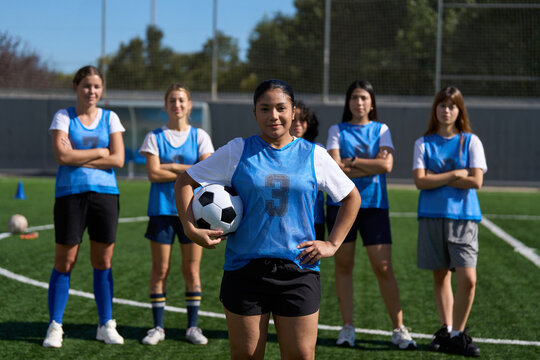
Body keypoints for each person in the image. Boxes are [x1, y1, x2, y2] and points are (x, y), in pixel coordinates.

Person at [175, 79, 361, 359]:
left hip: (299, 270)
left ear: (293, 111)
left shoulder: (314, 155)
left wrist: (332, 244)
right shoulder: (237, 151)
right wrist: (190, 228)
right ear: (255, 113)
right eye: (265, 109)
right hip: (245, 271)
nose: (273, 115)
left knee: (300, 355)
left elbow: (351, 197)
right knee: (247, 356)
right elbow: (185, 181)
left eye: (280, 108)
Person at [326, 80, 417, 349]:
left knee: (383, 267)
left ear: (372, 102)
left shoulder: (381, 129)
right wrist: (369, 165)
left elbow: (386, 164)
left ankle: (399, 329)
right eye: (354, 97)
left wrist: (352, 162)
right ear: (348, 102)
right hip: (341, 205)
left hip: (375, 206)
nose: (359, 102)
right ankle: (347, 328)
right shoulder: (336, 130)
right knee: (344, 266)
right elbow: (334, 168)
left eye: (364, 97)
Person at [43, 65, 125, 348]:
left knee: (103, 262)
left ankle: (106, 324)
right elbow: (61, 155)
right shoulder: (63, 116)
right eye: (87, 86)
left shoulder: (110, 118)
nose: (92, 91)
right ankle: (55, 326)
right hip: (70, 195)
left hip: (105, 196)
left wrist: (78, 156)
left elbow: (118, 160)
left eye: (97, 87)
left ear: (102, 90)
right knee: (65, 262)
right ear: (76, 87)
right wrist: (100, 151)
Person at [413, 86, 486, 357]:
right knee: (440, 276)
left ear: (459, 110)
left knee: (468, 278)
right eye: (442, 105)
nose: (446, 110)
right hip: (431, 216)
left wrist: (438, 176)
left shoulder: (471, 142)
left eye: (452, 106)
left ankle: (458, 333)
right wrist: (456, 173)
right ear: (435, 109)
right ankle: (447, 330)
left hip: (464, 217)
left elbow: (476, 180)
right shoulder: (423, 143)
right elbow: (421, 181)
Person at [138, 83, 214, 346]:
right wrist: (187, 170)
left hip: (194, 213)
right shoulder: (154, 137)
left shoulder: (200, 136)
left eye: (182, 100)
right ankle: (158, 327)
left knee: (191, 270)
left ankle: (192, 327)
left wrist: (170, 166)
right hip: (161, 211)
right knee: (161, 269)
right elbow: (152, 173)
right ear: (166, 105)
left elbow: (206, 171)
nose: (177, 105)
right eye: (172, 100)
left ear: (189, 105)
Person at [290, 101, 325, 240]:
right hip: (285, 220)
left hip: (314, 220)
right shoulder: (274, 150)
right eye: (294, 120)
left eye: (303, 120)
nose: (298, 124)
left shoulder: (318, 150)